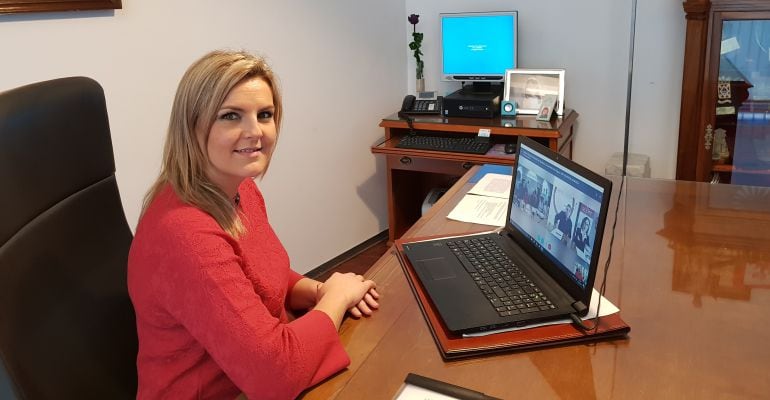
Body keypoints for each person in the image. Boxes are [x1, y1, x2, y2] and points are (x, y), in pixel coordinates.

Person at [127, 50, 380, 400]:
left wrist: (315, 290)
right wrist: (335, 300)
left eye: (265, 115)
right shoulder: (184, 234)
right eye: (230, 116)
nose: (255, 132)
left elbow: (259, 271)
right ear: (191, 125)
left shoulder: (239, 187)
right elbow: (276, 377)